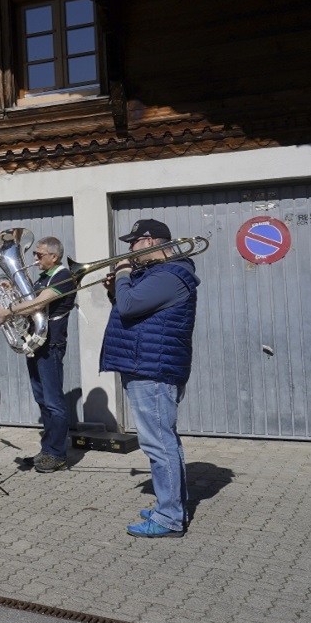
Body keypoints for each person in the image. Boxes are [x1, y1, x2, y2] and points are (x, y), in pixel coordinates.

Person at [100, 219, 199, 539]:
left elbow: (129, 308)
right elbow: (129, 310)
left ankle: (170, 517)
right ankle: (171, 505)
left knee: (158, 443)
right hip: (146, 364)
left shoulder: (171, 275)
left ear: (150, 242)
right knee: (163, 440)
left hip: (152, 369)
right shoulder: (157, 275)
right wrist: (117, 288)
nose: (128, 250)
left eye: (133, 244)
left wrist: (125, 274)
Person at [0, 235, 76, 473]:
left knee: (54, 402)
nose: (34, 258)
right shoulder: (43, 277)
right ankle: (47, 450)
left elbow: (38, 305)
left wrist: (8, 310)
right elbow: (30, 302)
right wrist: (14, 294)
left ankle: (58, 454)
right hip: (36, 343)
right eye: (35, 254)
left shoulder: (64, 276)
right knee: (43, 402)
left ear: (54, 256)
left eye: (39, 255)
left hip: (51, 345)